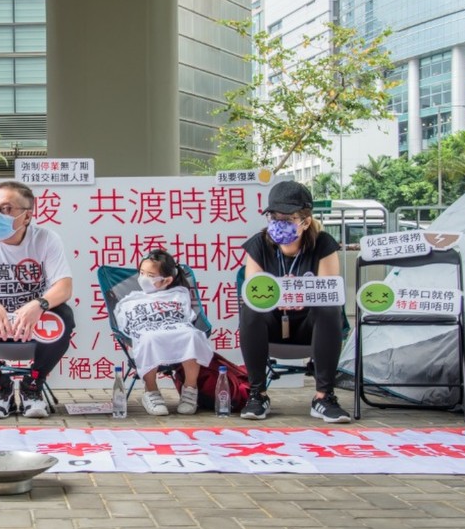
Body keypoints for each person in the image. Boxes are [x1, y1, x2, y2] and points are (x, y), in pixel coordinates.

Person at [0, 181, 75, 419]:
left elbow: (64, 287)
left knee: (64, 316)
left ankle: (32, 387)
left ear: (27, 216)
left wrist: (39, 304)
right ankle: (0, 387)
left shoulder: (46, 240)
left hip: (31, 323)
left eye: (6, 209)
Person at [238, 180, 350, 423]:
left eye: (287, 219)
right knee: (250, 310)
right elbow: (255, 290)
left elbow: (327, 290)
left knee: (329, 308)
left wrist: (302, 294)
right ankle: (257, 394)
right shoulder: (259, 244)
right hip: (273, 323)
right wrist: (279, 294)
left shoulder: (323, 244)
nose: (279, 225)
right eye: (274, 218)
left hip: (309, 326)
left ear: (305, 221)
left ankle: (324, 397)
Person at [113, 249, 215, 416]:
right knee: (148, 338)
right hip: (149, 332)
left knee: (193, 335)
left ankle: (190, 389)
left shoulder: (178, 295)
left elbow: (187, 317)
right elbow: (125, 323)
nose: (143, 278)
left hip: (175, 330)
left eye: (150, 275)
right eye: (141, 273)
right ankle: (151, 391)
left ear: (167, 280)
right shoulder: (132, 300)